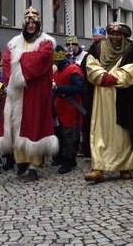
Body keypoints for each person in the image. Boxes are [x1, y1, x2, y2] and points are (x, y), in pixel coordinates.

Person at [0, 7, 57, 182]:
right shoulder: (15, 42)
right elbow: (6, 61)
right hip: (17, 90)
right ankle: (21, 159)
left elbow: (39, 61)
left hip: (35, 90)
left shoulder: (46, 43)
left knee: (34, 124)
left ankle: (34, 165)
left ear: (38, 24)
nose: (30, 25)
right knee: (16, 125)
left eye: (33, 22)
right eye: (28, 22)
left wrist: (19, 60)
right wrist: (19, 62)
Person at [85, 22, 133, 183]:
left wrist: (114, 78)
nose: (114, 37)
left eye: (118, 34)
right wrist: (101, 76)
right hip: (101, 98)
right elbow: (90, 65)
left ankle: (124, 166)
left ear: (124, 36)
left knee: (122, 133)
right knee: (101, 130)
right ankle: (98, 167)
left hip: (124, 97)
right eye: (112, 34)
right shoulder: (98, 48)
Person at [51, 46, 85, 175]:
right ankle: (71, 160)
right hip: (59, 105)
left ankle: (67, 161)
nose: (55, 63)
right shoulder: (57, 72)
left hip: (70, 106)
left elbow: (78, 88)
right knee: (61, 133)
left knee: (68, 134)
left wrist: (60, 89)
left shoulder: (73, 70)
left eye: (57, 61)